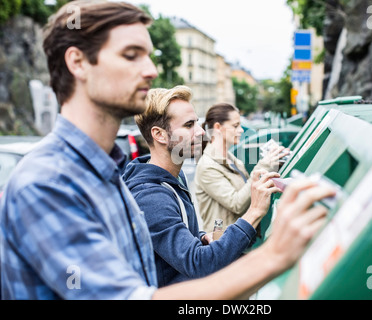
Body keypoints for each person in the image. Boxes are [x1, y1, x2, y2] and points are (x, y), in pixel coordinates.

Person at [0, 0, 335, 300]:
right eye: (131, 55)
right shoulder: (49, 182)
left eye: (148, 55)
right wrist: (274, 254)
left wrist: (204, 240)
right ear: (78, 63)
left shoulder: (108, 173)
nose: (151, 70)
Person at [123, 86, 281, 287]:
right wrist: (255, 211)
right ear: (159, 135)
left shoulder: (172, 177)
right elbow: (199, 264)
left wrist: (200, 237)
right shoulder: (151, 196)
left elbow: (172, 240)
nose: (200, 132)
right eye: (189, 125)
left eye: (196, 123)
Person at [195, 103, 290, 233]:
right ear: (218, 127)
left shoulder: (232, 159)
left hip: (239, 237)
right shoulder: (207, 166)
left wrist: (274, 163)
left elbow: (248, 191)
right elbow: (236, 204)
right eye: (235, 126)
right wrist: (262, 166)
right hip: (223, 243)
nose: (241, 130)